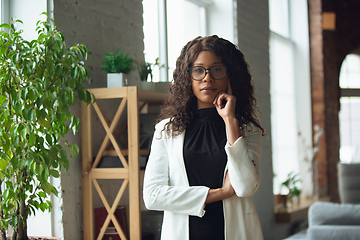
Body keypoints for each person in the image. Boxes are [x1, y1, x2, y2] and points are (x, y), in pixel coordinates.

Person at [143, 35, 265, 240]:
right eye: (199, 70)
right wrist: (220, 193)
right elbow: (152, 196)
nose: (207, 78)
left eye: (217, 69)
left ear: (230, 75)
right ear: (188, 77)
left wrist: (231, 122)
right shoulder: (166, 130)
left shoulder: (246, 130)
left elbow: (245, 187)